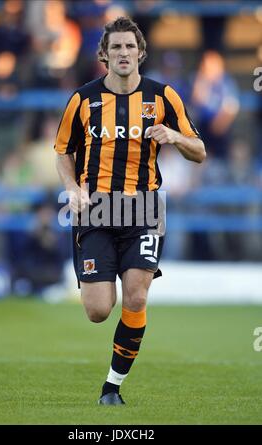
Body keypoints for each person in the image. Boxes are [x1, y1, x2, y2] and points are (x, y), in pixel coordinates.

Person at [54, 17, 206, 406]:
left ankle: (111, 388)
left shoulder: (163, 97)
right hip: (97, 210)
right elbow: (62, 151)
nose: (123, 53)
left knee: (135, 298)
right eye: (116, 47)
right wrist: (72, 188)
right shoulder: (83, 100)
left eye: (129, 47)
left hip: (144, 207)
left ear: (141, 52)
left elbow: (199, 151)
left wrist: (174, 136)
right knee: (98, 310)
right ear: (104, 54)